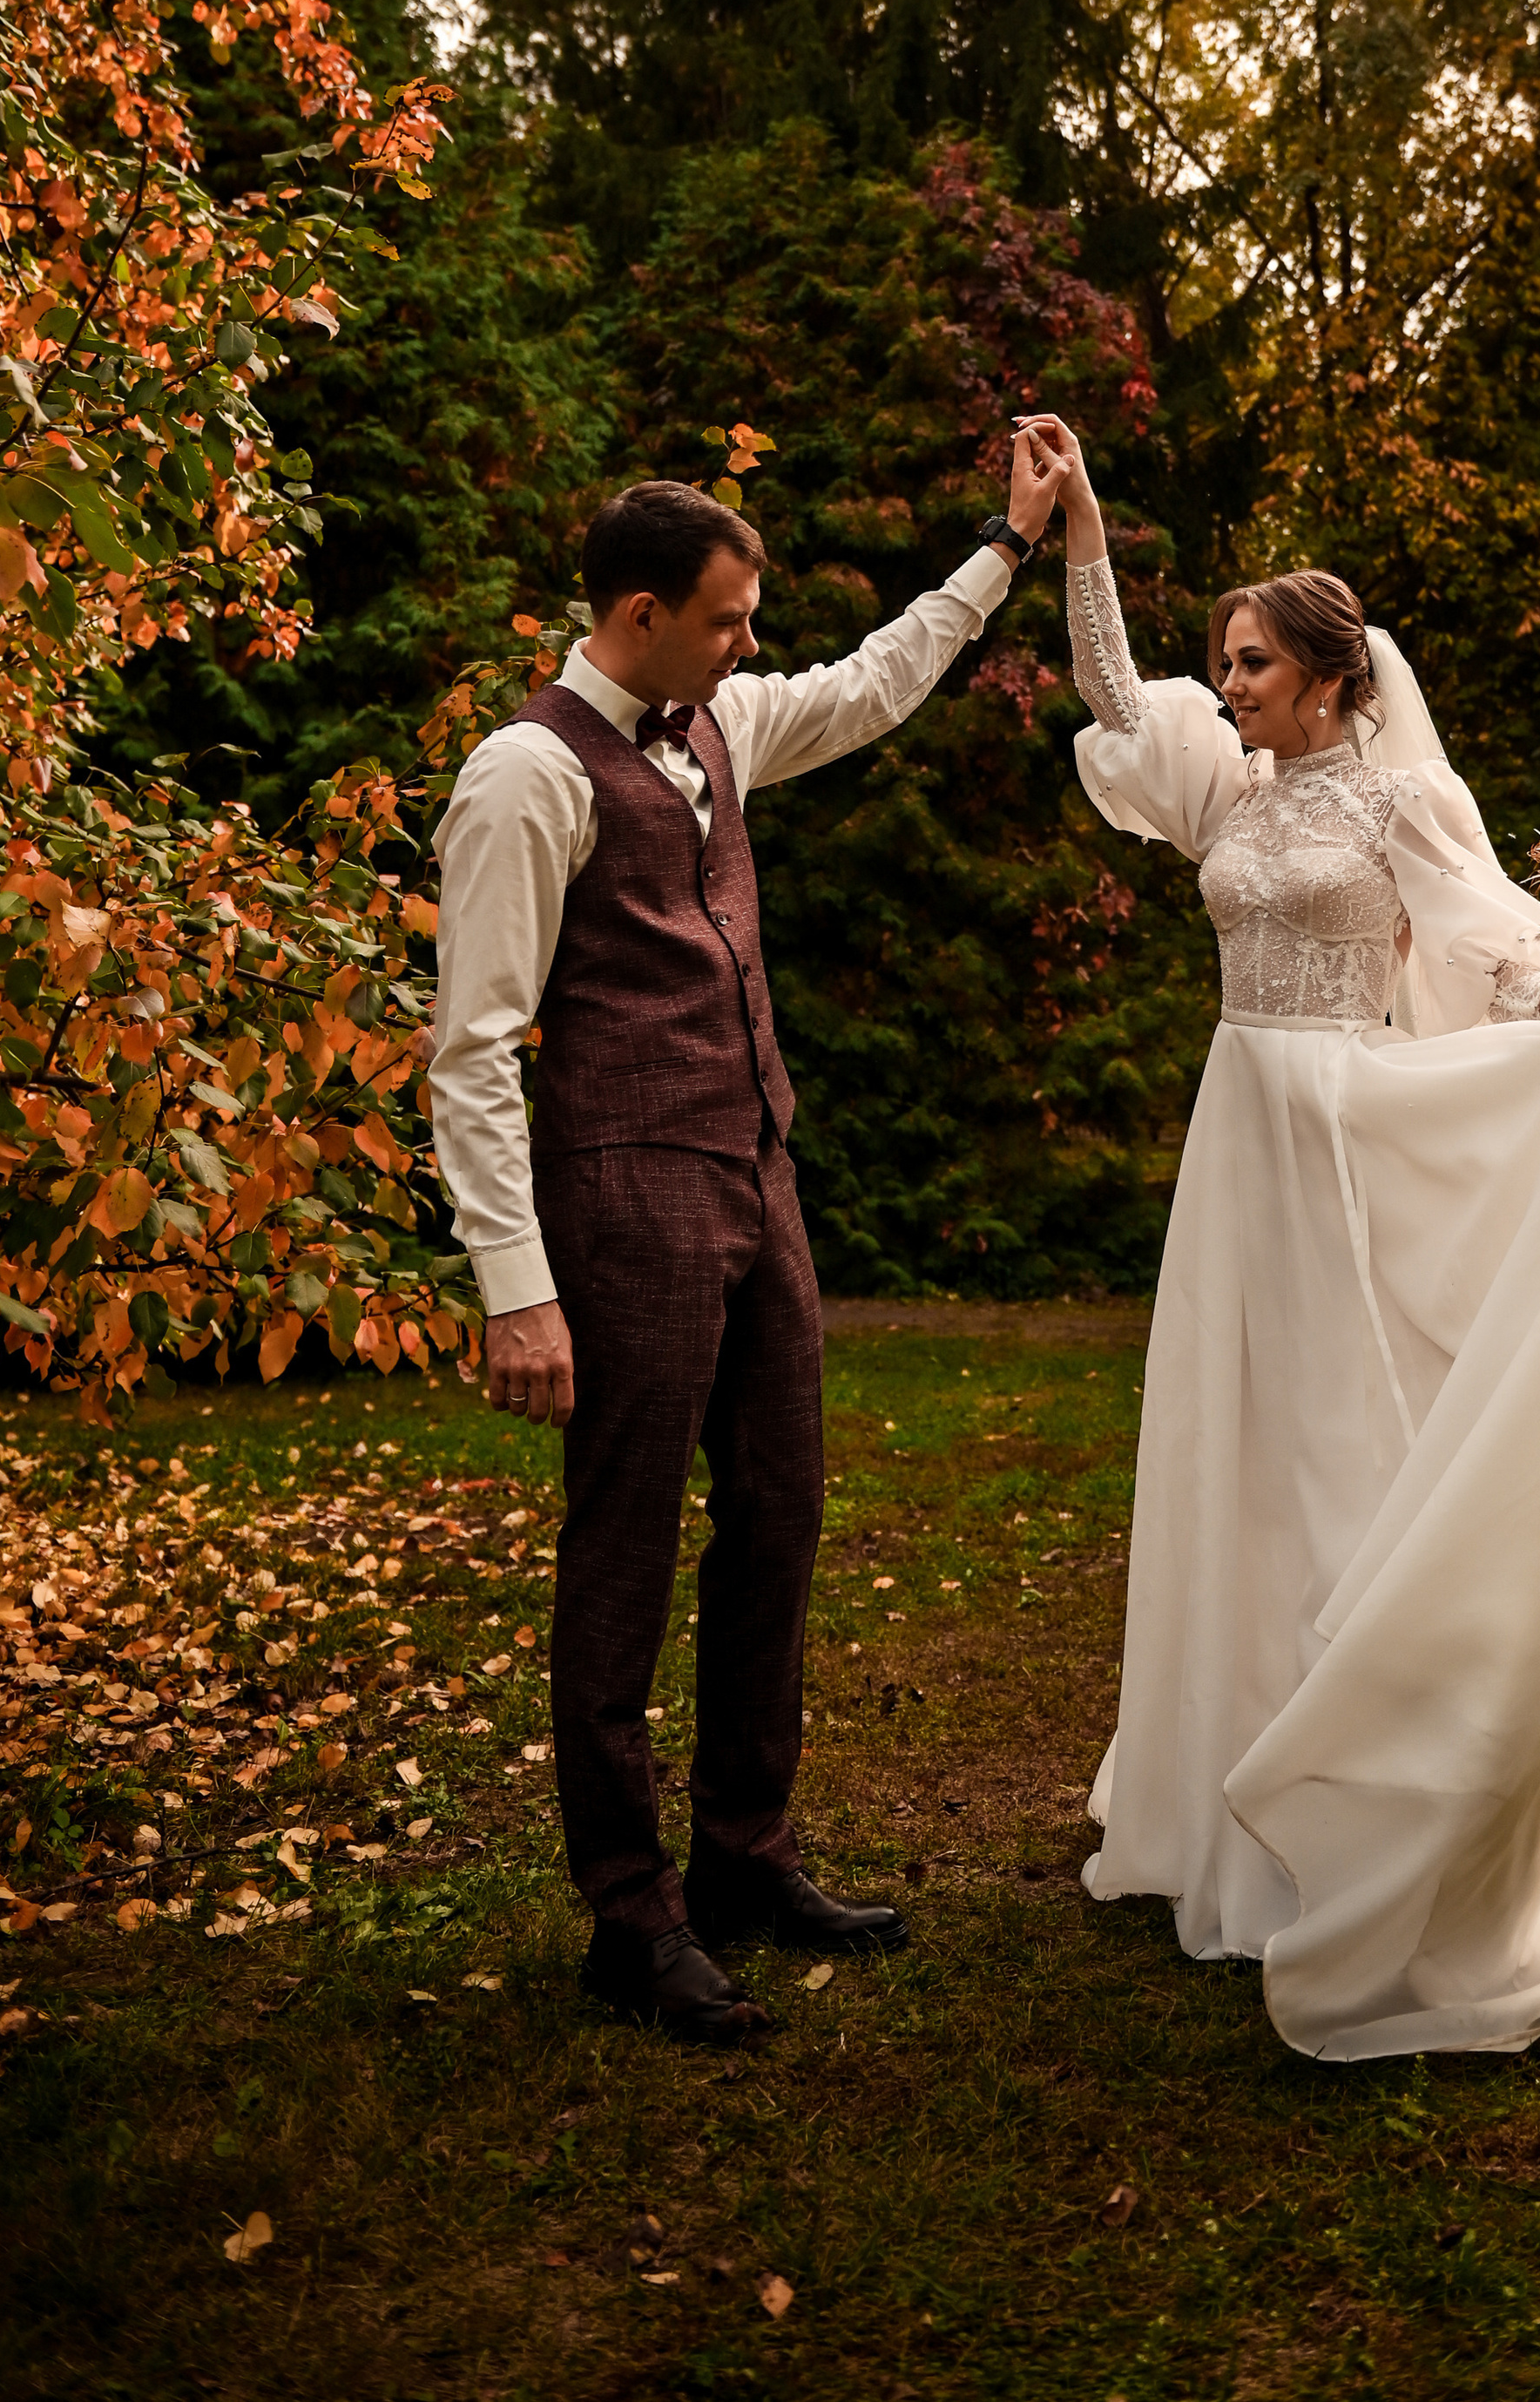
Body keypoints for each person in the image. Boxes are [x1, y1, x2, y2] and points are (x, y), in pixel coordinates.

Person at [1021, 416, 1540, 2061]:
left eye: (1253, 664)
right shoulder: (1222, 782)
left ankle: (1372, 1765)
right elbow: (1116, 693)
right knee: (1234, 1443)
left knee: (1342, 1443)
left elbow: (1491, 947)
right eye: (1228, 662)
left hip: (1342, 1131)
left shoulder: (1400, 798)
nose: (1229, 683)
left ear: (1331, 676)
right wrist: (1083, 529)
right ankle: (1218, 1784)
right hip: (1236, 1138)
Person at [428, 435, 1071, 2045]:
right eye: (726, 620)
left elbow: (868, 684)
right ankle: (627, 1915)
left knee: (778, 1512)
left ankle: (744, 1859)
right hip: (624, 1196)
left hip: (754, 1173)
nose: (750, 644)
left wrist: (1005, 544)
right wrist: (520, 1290)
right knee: (626, 1548)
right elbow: (474, 1047)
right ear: (637, 611)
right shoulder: (527, 773)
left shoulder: (719, 722)